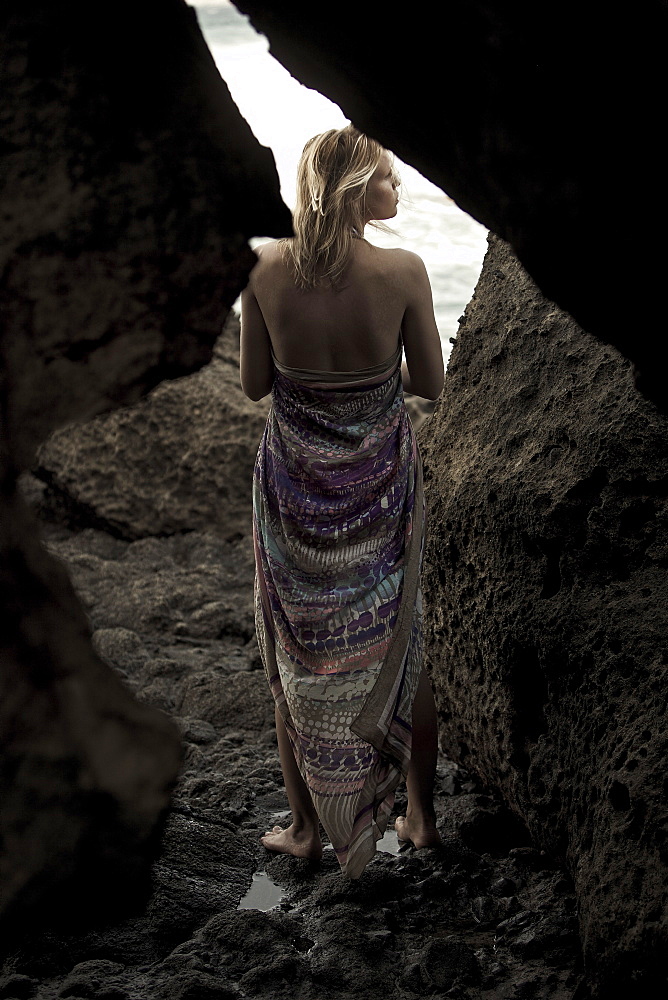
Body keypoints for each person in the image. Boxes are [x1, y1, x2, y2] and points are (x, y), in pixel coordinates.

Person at [240, 124, 444, 879]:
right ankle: (418, 816)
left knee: (292, 649)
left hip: (293, 489)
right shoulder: (403, 272)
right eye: (389, 178)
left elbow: (256, 386)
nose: (400, 189)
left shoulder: (263, 267)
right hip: (382, 487)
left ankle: (303, 827)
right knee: (403, 644)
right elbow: (429, 384)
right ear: (358, 189)